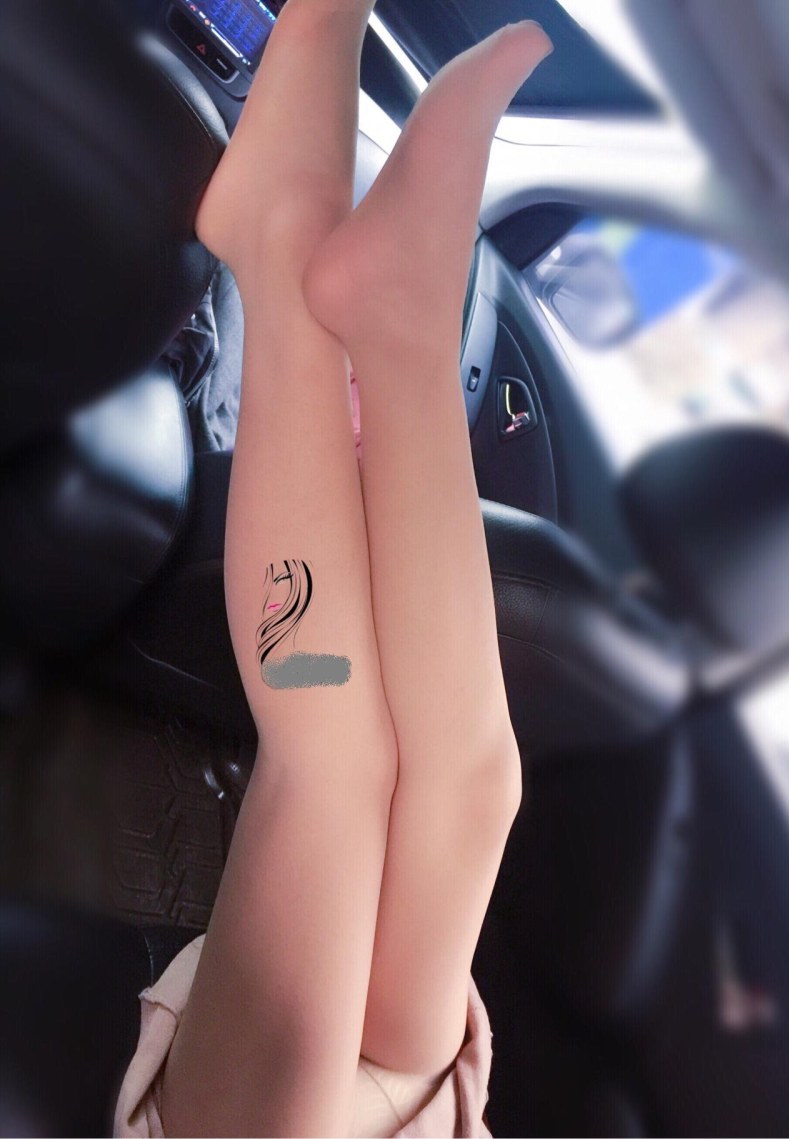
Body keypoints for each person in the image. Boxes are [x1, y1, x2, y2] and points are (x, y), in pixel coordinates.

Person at [113, 2, 553, 1135]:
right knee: (476, 788)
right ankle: (397, 318)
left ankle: (282, 238)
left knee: (335, 762)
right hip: (420, 1090)